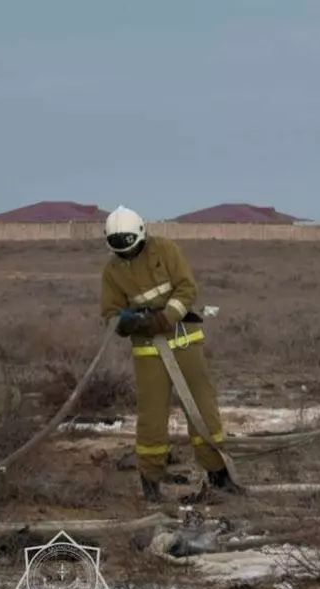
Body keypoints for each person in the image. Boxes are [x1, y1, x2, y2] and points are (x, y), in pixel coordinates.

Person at [99, 205, 243, 502]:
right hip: (148, 351)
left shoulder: (165, 250)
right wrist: (127, 322)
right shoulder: (112, 271)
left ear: (142, 235)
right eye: (121, 252)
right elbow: (110, 313)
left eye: (132, 250)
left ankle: (218, 474)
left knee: (202, 409)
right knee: (151, 417)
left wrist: (164, 318)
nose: (128, 256)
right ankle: (150, 482)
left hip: (184, 341)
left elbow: (186, 289)